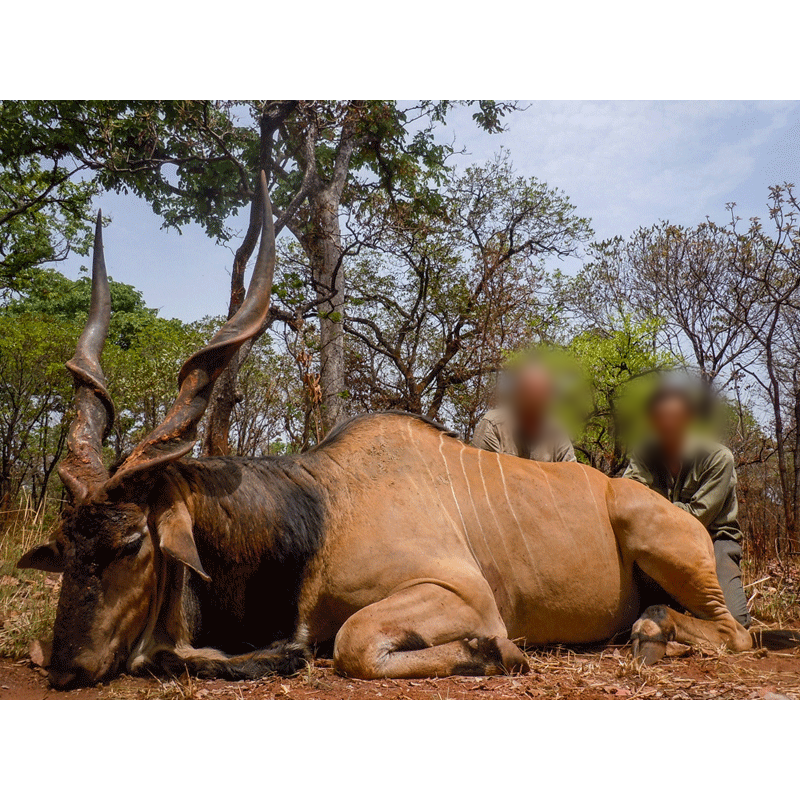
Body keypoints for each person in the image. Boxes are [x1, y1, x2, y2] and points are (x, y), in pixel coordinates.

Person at [623, 382, 751, 627]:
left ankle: (681, 623)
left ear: (688, 418)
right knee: (623, 616)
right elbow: (627, 496)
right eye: (661, 417)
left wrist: (651, 510)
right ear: (652, 421)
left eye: (675, 416)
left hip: (713, 541)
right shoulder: (644, 453)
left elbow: (696, 517)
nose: (668, 423)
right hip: (661, 543)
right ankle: (677, 622)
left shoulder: (718, 457)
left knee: (734, 623)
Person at [472, 363, 576, 463]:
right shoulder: (493, 426)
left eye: (539, 409)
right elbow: (482, 473)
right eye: (528, 407)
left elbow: (571, 475)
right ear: (517, 397)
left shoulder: (556, 432)